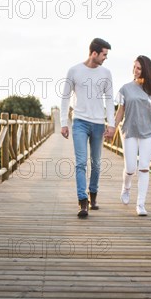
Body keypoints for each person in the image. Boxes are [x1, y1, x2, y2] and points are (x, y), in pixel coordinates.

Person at [61, 38, 116, 218]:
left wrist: (111, 124)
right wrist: (63, 123)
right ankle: (82, 201)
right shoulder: (74, 70)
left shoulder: (106, 73)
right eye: (104, 55)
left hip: (99, 123)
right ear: (94, 53)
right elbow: (65, 98)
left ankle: (93, 196)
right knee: (81, 162)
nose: (105, 58)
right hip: (80, 122)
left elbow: (109, 99)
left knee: (97, 163)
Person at [113, 55, 151, 216]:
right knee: (131, 167)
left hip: (149, 133)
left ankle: (140, 204)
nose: (135, 71)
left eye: (139, 68)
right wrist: (112, 128)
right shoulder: (126, 88)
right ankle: (126, 187)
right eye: (134, 67)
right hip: (130, 131)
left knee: (144, 167)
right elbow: (120, 111)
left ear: (146, 70)